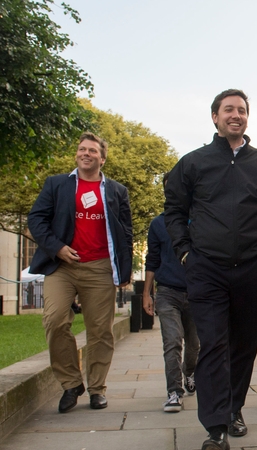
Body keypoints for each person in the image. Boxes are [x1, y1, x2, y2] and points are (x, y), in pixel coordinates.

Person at [166, 89, 257, 450]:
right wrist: (186, 253)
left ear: (247, 118)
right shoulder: (193, 163)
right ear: (215, 117)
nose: (235, 115)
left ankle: (234, 407)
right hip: (206, 268)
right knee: (214, 345)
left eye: (241, 110)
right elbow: (173, 210)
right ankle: (216, 425)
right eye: (228, 110)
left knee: (243, 345)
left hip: (251, 268)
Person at [28, 132, 133, 413]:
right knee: (54, 320)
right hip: (62, 265)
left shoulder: (116, 191)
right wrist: (57, 247)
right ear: (77, 154)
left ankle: (97, 389)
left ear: (102, 158)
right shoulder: (57, 184)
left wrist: (123, 270)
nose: (86, 153)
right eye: (81, 149)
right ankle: (71, 383)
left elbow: (125, 232)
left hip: (99, 267)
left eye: (92, 151)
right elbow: (36, 219)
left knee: (100, 331)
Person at [143, 172, 200, 413]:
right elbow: (152, 259)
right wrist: (147, 293)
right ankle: (174, 392)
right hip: (167, 292)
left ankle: (190, 372)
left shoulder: (198, 220)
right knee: (173, 341)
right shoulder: (158, 224)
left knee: (194, 345)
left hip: (196, 291)